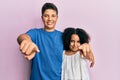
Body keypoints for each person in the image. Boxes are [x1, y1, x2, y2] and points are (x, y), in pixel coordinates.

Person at [17, 2, 94, 80]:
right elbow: (22, 37)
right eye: (46, 16)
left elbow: (75, 52)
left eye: (53, 16)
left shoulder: (63, 37)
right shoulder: (36, 33)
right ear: (42, 17)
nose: (50, 19)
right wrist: (26, 41)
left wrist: (87, 48)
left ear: (57, 17)